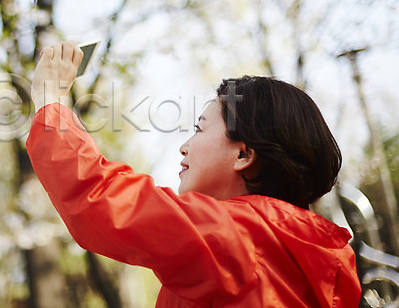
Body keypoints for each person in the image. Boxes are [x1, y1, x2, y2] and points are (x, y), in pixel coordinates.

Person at [26, 41, 361, 307]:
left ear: (244, 155)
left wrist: (50, 101)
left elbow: (102, 197)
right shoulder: (306, 250)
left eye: (199, 129)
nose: (184, 147)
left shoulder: (236, 236)